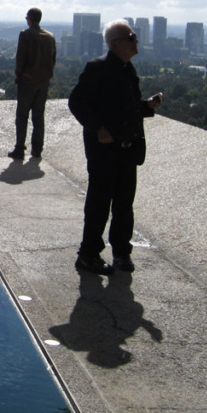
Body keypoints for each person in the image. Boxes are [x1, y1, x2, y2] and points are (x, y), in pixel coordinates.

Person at [68, 20, 161, 275]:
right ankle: (88, 254)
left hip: (128, 150)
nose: (136, 41)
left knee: (124, 204)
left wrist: (146, 107)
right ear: (115, 44)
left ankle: (121, 252)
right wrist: (98, 129)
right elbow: (76, 102)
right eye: (132, 37)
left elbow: (124, 107)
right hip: (104, 152)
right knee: (99, 203)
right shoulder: (98, 68)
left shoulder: (127, 68)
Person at [8, 8, 57, 160]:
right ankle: (37, 149)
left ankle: (20, 148)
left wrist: (19, 75)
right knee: (38, 116)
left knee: (22, 116)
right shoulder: (50, 37)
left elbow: (20, 58)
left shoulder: (25, 34)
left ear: (29, 19)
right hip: (43, 82)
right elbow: (53, 59)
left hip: (27, 81)